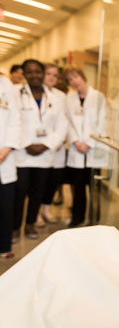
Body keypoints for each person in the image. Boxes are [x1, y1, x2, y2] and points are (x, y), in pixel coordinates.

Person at [12, 59, 68, 241]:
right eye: (30, 72)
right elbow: (11, 122)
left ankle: (30, 224)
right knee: (19, 192)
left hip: (45, 154)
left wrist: (45, 145)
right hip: (22, 152)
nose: (34, 75)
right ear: (24, 74)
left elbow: (62, 126)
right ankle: (15, 227)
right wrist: (26, 143)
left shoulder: (56, 98)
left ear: (43, 74)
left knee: (38, 191)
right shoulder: (15, 94)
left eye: (38, 71)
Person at [64, 66, 109, 227]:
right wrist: (76, 141)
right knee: (77, 188)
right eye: (69, 80)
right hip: (76, 149)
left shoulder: (98, 96)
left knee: (94, 188)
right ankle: (78, 217)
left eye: (75, 77)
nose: (73, 82)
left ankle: (94, 219)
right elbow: (67, 122)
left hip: (92, 149)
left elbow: (102, 122)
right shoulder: (69, 98)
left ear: (82, 76)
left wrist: (89, 144)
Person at [35, 63, 67, 226]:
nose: (51, 78)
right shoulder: (35, 92)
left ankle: (46, 210)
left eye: (55, 75)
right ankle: (36, 215)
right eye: (48, 74)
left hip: (58, 148)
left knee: (53, 181)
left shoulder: (61, 95)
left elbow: (65, 121)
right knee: (40, 182)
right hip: (40, 146)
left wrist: (60, 140)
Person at [0, 75, 21, 259]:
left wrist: (6, 149)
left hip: (4, 157)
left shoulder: (7, 85)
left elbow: (15, 120)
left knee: (5, 204)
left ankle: (3, 245)